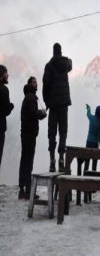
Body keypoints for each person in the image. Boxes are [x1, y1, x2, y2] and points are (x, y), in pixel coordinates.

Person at [42, 43, 72, 172]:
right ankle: (61, 158)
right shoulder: (66, 64)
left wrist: (47, 102)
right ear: (61, 51)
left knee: (52, 133)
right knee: (63, 132)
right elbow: (70, 64)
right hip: (64, 104)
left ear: (53, 51)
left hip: (54, 105)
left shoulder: (49, 66)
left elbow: (45, 85)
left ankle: (51, 160)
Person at [18, 77, 47, 199]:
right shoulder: (30, 97)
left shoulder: (29, 97)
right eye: (34, 82)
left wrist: (39, 113)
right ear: (30, 84)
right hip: (29, 133)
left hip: (27, 132)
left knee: (25, 160)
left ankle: (23, 189)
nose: (36, 84)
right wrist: (42, 114)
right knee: (28, 161)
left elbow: (32, 113)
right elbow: (33, 114)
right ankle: (27, 190)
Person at [0, 65, 14, 169]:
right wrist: (11, 106)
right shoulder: (4, 89)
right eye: (6, 73)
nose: (8, 75)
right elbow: (6, 110)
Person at [84, 104, 100, 172]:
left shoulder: (92, 118)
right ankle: (94, 174)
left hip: (89, 142)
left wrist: (89, 108)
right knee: (94, 161)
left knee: (87, 160)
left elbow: (88, 114)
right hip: (95, 143)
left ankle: (85, 173)